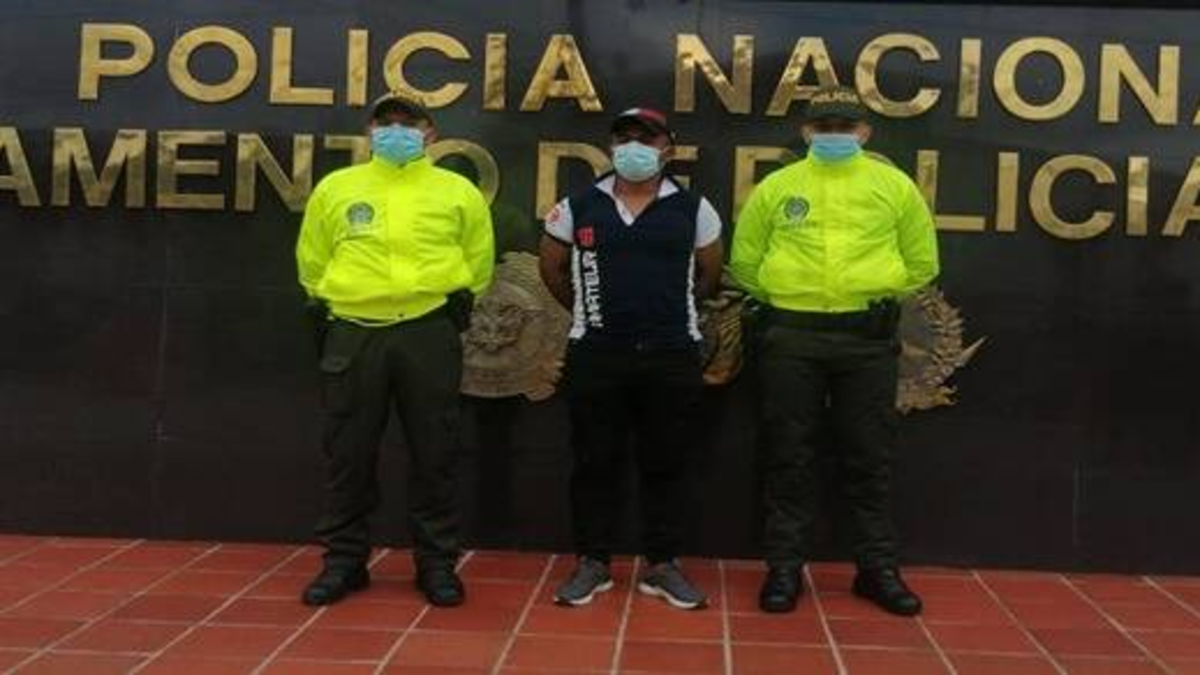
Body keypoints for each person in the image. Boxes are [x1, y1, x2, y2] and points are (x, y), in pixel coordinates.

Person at [730, 86, 940, 616]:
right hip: (791, 336)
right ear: (806, 132)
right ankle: (784, 569)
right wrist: (794, 297)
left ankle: (877, 569)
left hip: (866, 340)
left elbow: (922, 262)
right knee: (788, 454)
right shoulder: (778, 187)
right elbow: (746, 262)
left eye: (845, 127)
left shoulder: (894, 186)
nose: (834, 135)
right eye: (824, 127)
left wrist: (868, 295)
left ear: (864, 132)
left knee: (870, 456)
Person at [295, 92, 494, 607]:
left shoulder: (458, 191)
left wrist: (438, 303)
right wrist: (348, 299)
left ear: (430, 133)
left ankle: (436, 565)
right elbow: (312, 262)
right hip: (354, 332)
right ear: (370, 132)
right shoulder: (337, 188)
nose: (397, 130)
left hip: (428, 332)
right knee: (349, 453)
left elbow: (478, 262)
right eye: (386, 122)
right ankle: (344, 563)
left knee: (435, 452)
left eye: (409, 122)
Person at [539, 108, 724, 610]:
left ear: (668, 149)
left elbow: (710, 274)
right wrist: (590, 312)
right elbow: (551, 268)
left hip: (671, 354)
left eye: (647, 138)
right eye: (624, 138)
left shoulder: (695, 208)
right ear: (611, 146)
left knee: (666, 462)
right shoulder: (578, 205)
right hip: (596, 353)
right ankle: (592, 563)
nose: (634, 147)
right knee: (594, 461)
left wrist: (671, 311)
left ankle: (662, 566)